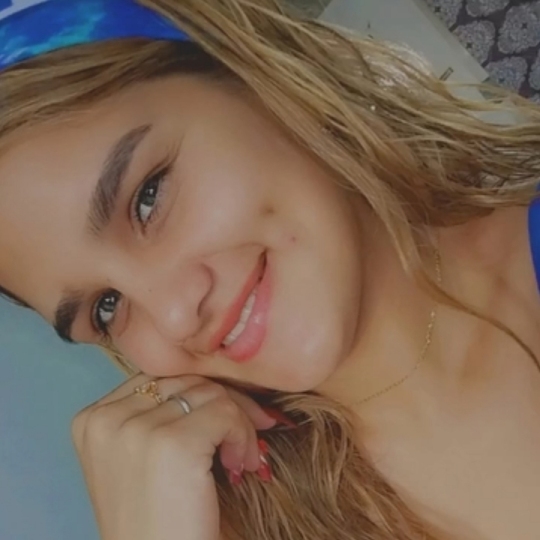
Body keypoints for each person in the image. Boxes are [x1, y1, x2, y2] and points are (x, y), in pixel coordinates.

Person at [1, 0, 539, 538]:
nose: (174, 316)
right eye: (107, 307)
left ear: (249, 76)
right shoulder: (213, 519)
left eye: (148, 198)